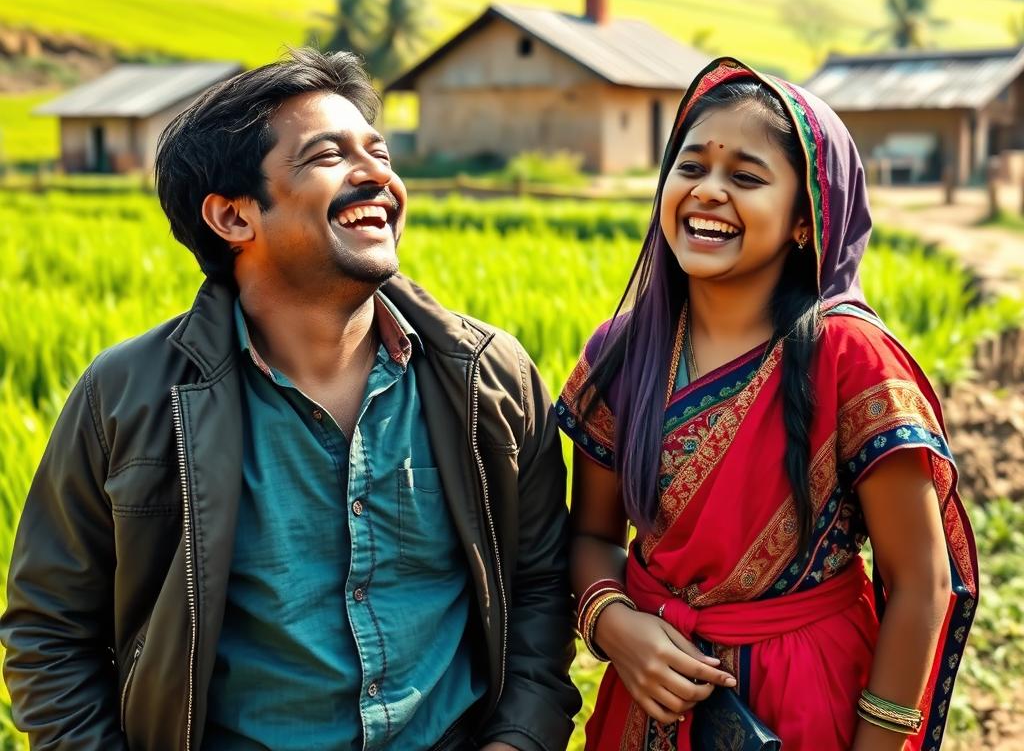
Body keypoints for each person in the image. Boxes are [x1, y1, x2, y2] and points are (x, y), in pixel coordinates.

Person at [1, 47, 580, 751]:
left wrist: (518, 741)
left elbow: (543, 589)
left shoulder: (489, 379)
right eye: (327, 156)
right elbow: (49, 631)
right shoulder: (129, 397)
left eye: (380, 152)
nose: (376, 175)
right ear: (233, 217)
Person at [557, 58, 977, 750]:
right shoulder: (623, 351)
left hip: (809, 702)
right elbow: (593, 536)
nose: (708, 192)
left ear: (806, 222)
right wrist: (612, 622)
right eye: (690, 169)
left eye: (746, 178)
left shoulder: (850, 358)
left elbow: (920, 583)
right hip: (649, 701)